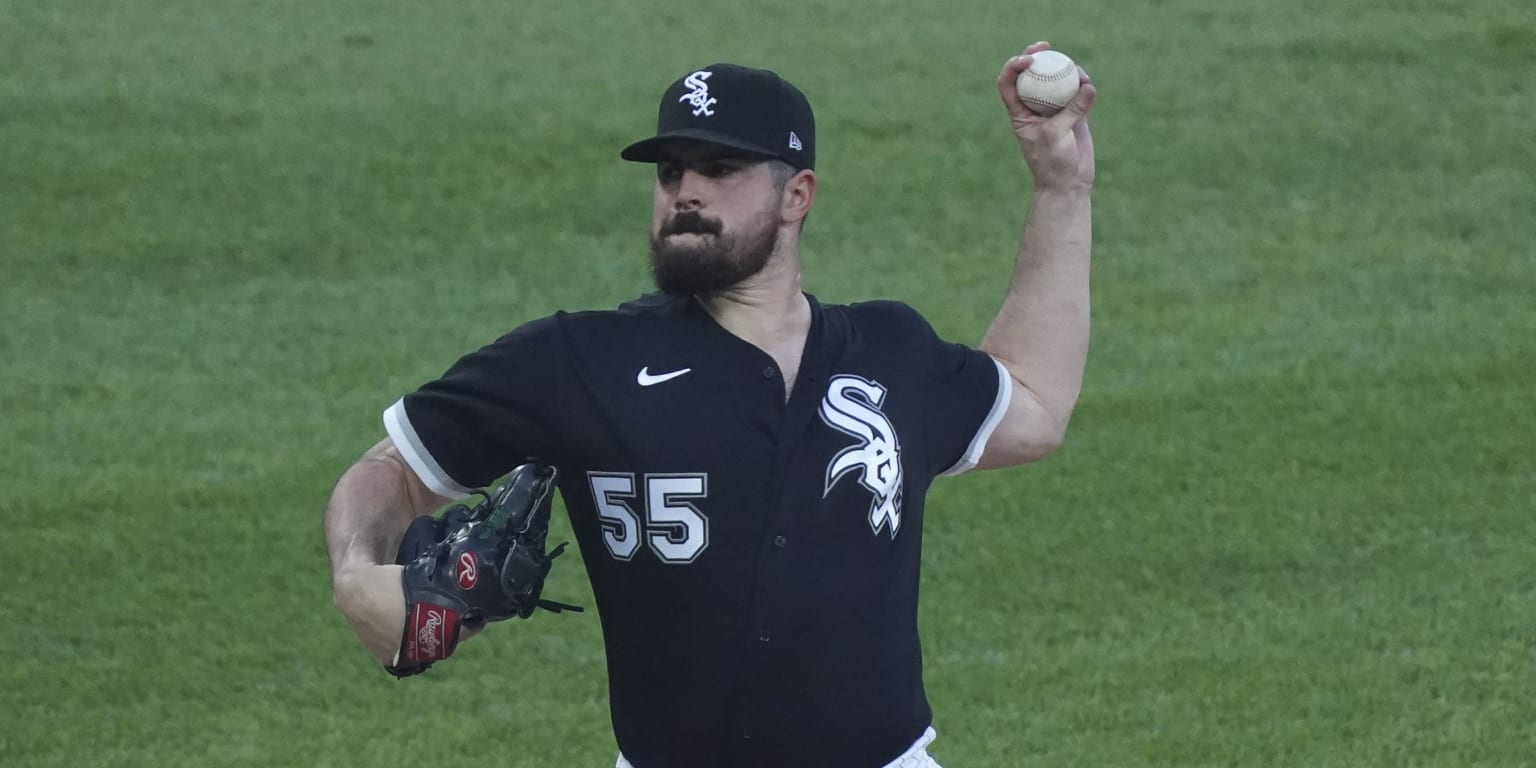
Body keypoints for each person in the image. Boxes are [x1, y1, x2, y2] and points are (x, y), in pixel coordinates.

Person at [325, 42, 1096, 768]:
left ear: (797, 194)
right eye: (668, 172)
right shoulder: (577, 361)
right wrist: (357, 573)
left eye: (718, 168)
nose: (684, 190)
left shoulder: (889, 352)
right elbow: (396, 468)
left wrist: (1062, 188)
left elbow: (1031, 401)